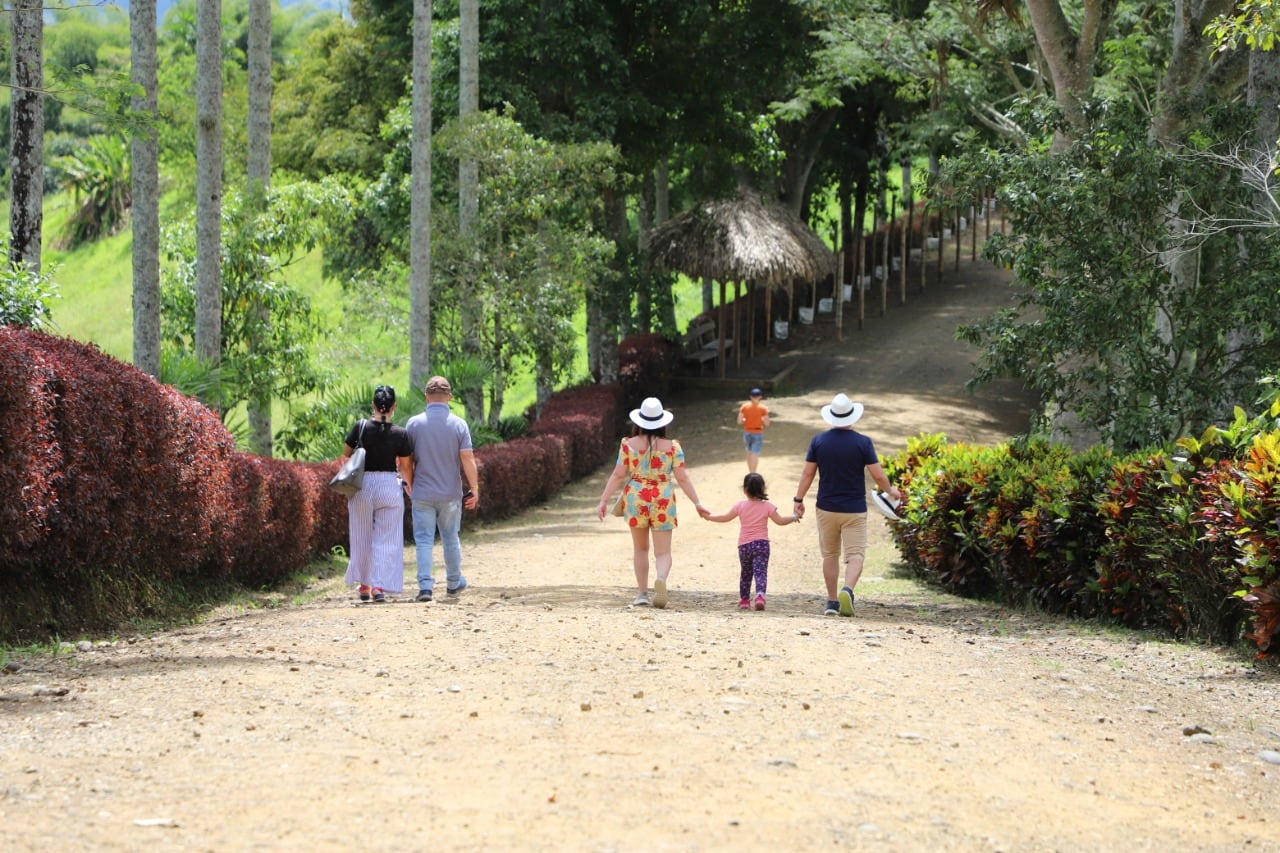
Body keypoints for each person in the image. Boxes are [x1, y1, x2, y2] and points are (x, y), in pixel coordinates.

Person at [792, 393, 903, 618]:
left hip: (826, 507)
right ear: (852, 417)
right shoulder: (863, 443)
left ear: (832, 417)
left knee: (830, 555)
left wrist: (798, 500)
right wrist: (891, 492)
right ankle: (848, 590)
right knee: (856, 555)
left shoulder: (819, 441)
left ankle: (832, 602)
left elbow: (807, 473)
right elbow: (879, 476)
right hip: (854, 509)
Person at [596, 397, 710, 608]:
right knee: (663, 552)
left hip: (636, 498)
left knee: (640, 549)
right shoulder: (673, 447)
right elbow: (682, 477)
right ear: (662, 422)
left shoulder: (628, 445)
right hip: (662, 498)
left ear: (639, 421)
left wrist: (604, 500)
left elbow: (618, 475)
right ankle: (661, 580)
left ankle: (641, 594)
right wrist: (697, 502)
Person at [404, 376, 480, 603]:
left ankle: (425, 587)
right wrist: (474, 488)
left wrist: (409, 484)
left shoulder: (414, 424)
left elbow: (406, 462)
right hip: (450, 494)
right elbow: (467, 458)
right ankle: (454, 582)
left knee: (424, 540)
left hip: (423, 492)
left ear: (426, 397)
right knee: (450, 537)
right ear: (450, 397)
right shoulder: (459, 424)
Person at [342, 385, 414, 603]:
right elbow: (405, 465)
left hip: (362, 485)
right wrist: (409, 485)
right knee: (387, 537)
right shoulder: (401, 434)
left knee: (361, 535)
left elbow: (346, 453)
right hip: (389, 485)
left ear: (373, 405)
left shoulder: (360, 427)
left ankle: (364, 585)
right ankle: (379, 586)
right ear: (394, 407)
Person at [702, 472, 798, 611]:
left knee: (746, 573)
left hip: (744, 546)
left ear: (745, 489)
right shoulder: (768, 507)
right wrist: (794, 517)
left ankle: (744, 600)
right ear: (763, 489)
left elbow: (724, 517)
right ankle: (759, 596)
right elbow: (780, 521)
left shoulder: (740, 506)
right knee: (761, 572)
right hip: (762, 545)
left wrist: (709, 517)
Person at [737, 388, 771, 472]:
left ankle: (750, 472)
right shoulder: (763, 408)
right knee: (755, 454)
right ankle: (753, 472)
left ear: (750, 397)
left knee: (749, 453)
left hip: (747, 432)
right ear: (760, 397)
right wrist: (762, 420)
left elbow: (739, 421)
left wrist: (745, 420)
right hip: (757, 432)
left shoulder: (744, 407)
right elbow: (767, 423)